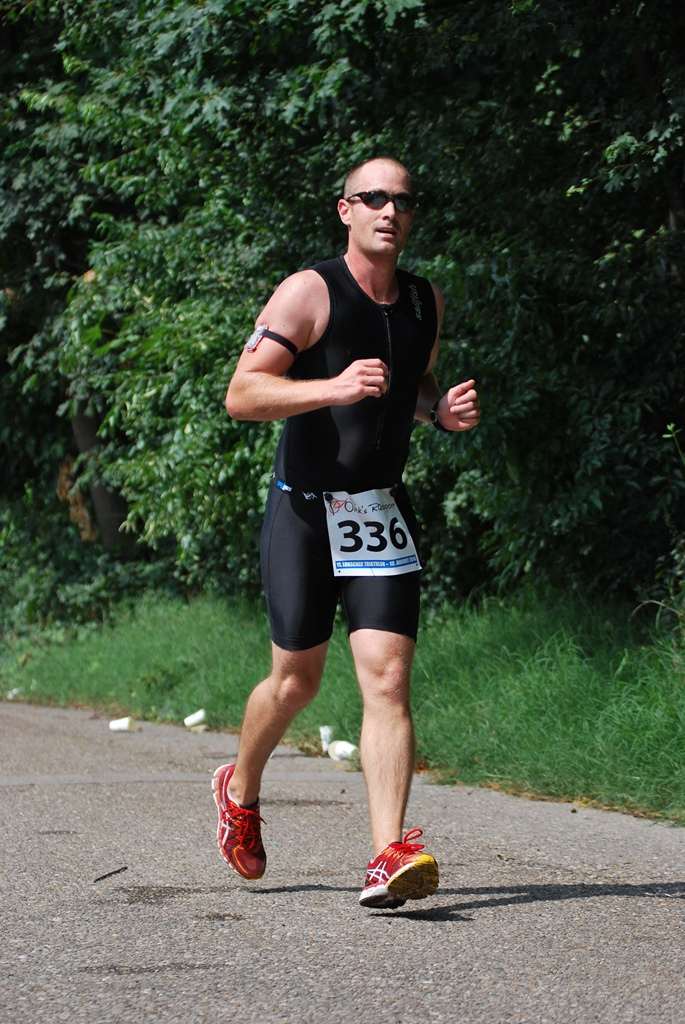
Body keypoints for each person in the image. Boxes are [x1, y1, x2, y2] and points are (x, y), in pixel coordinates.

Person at [213, 157, 480, 909]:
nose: (389, 211)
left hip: (377, 512)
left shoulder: (425, 300)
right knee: (295, 682)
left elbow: (410, 382)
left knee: (388, 678)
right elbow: (242, 395)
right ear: (346, 210)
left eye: (403, 200)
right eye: (374, 198)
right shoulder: (308, 291)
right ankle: (239, 787)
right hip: (303, 512)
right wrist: (330, 387)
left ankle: (388, 853)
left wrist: (437, 413)